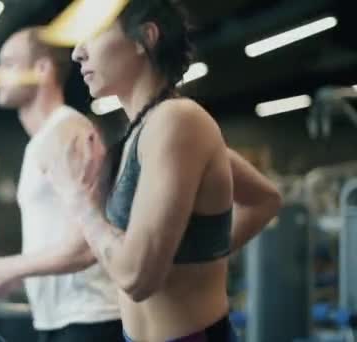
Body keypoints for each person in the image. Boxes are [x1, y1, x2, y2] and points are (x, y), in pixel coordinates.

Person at [44, 0, 282, 341]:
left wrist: (80, 202)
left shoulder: (177, 121)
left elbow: (136, 278)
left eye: (92, 35)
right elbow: (265, 198)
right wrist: (197, 257)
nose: (77, 53)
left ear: (146, 37)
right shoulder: (145, 131)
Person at [0, 27, 125, 342]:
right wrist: (21, 275)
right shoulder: (41, 141)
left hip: (89, 320)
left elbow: (85, 247)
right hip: (59, 319)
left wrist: (8, 268)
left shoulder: (68, 132)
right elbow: (55, 239)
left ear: (42, 69)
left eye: (10, 63)